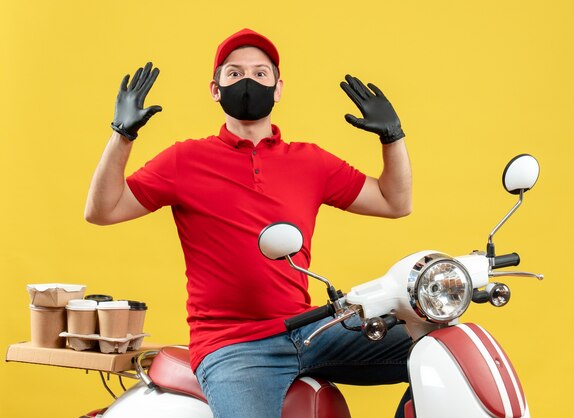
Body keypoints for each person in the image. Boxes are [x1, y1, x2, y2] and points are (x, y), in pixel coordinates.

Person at [85, 28, 414, 418]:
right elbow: (102, 211)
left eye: (260, 74)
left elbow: (395, 202)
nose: (247, 81)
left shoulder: (311, 162)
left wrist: (392, 138)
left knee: (438, 347)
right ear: (215, 88)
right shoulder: (184, 160)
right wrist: (122, 135)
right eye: (235, 73)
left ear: (277, 88)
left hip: (312, 330)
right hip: (234, 346)